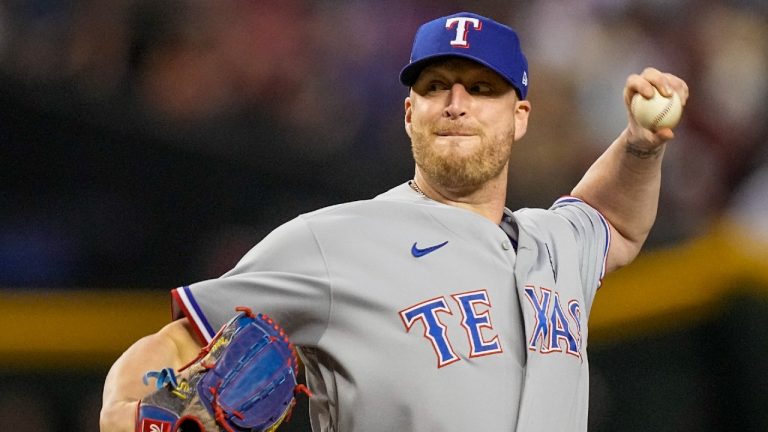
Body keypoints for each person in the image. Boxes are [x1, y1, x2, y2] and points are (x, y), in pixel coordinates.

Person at [100, 11, 689, 432]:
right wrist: (129, 408)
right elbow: (176, 343)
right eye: (436, 88)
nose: (456, 103)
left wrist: (640, 146)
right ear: (411, 114)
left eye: (481, 89)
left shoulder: (554, 242)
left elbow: (613, 219)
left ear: (520, 117)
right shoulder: (332, 240)